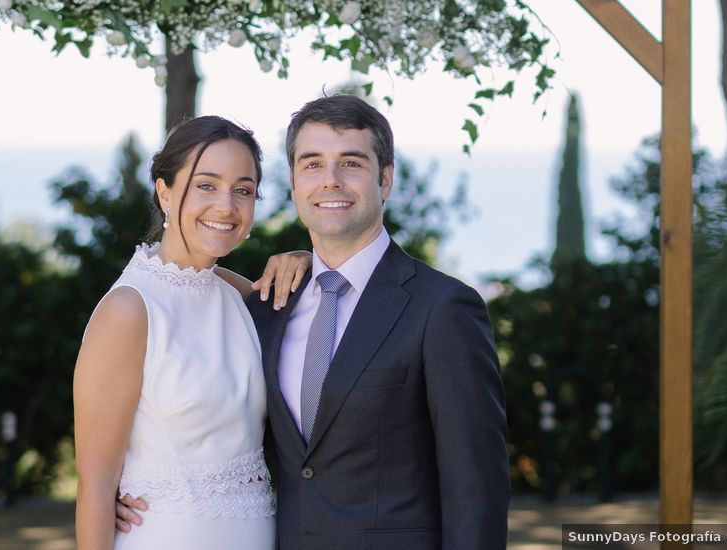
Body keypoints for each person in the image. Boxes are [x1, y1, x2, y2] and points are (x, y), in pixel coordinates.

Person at [118, 95, 510, 549]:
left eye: (351, 163)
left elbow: (476, 486)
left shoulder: (443, 308)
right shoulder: (267, 306)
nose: (330, 181)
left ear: (385, 179)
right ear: (293, 182)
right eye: (312, 164)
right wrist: (124, 488)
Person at [73, 115, 309, 550]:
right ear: (165, 192)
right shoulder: (129, 310)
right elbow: (95, 486)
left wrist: (306, 259)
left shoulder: (238, 294)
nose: (226, 206)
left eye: (243, 190)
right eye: (206, 185)